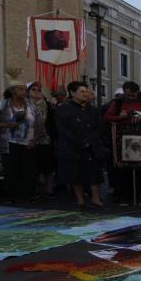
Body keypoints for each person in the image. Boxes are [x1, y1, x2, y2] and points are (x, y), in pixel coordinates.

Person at [56, 81, 105, 209]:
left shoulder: (93, 110)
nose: (85, 94)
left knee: (95, 174)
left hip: (91, 146)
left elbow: (100, 127)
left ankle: (95, 198)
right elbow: (62, 129)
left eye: (86, 91)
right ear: (72, 93)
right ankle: (80, 199)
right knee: (76, 174)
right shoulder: (63, 109)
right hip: (73, 147)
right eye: (82, 91)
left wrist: (90, 141)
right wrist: (78, 142)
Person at [104, 81, 141, 206]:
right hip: (121, 141)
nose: (130, 98)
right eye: (128, 95)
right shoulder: (118, 103)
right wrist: (120, 117)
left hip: (140, 141)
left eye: (133, 95)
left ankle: (137, 195)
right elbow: (107, 117)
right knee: (122, 170)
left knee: (139, 171)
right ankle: (122, 196)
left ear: (137, 93)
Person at [0, 81, 37, 203]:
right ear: (12, 91)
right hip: (9, 141)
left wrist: (33, 139)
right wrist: (8, 125)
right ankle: (11, 196)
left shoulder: (30, 105)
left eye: (25, 89)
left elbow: (36, 125)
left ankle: (29, 195)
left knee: (29, 169)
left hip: (27, 142)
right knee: (11, 169)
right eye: (21, 89)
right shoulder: (2, 105)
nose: (24, 92)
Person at [26, 82, 56, 199]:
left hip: (45, 138)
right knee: (33, 166)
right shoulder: (25, 105)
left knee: (48, 165)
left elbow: (52, 121)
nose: (37, 91)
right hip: (30, 138)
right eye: (33, 89)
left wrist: (53, 136)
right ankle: (34, 189)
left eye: (39, 89)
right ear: (28, 92)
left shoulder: (47, 104)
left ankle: (49, 189)